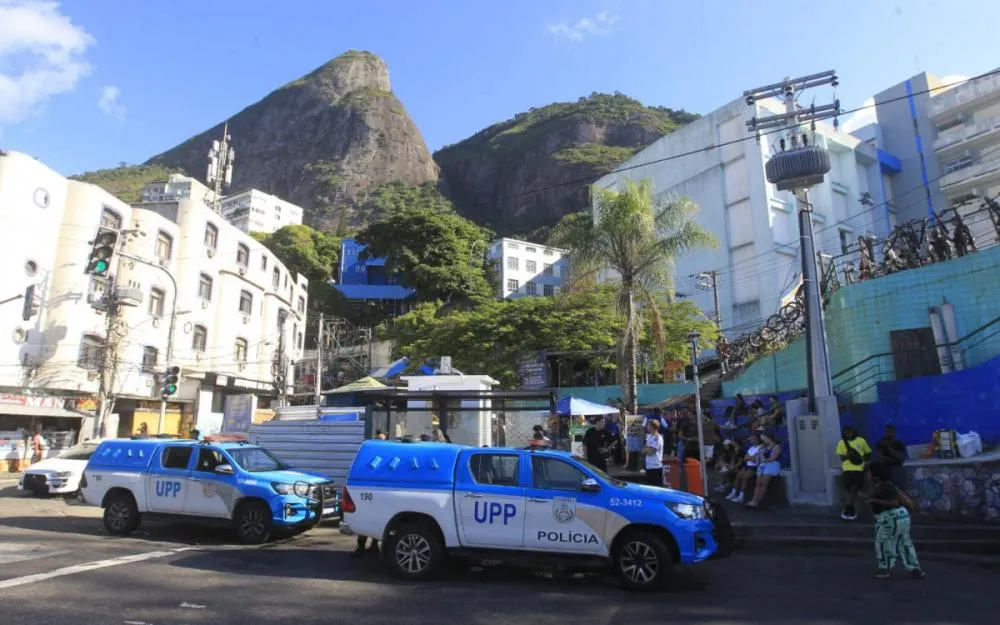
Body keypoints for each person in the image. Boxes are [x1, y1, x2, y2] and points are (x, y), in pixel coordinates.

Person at [863, 463, 925, 579]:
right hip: (902, 516)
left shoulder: (882, 487)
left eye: (868, 473)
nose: (866, 475)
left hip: (888, 517)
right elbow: (904, 500)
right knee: (905, 543)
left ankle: (884, 568)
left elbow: (894, 502)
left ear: (875, 476)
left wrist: (873, 500)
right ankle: (914, 568)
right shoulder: (890, 485)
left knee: (882, 542)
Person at [836, 425, 872, 521]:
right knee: (847, 489)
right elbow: (841, 458)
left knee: (856, 488)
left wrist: (867, 463)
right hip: (847, 469)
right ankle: (850, 508)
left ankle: (850, 508)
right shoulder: (841, 443)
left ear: (853, 432)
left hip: (859, 469)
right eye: (845, 432)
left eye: (849, 432)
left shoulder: (861, 441)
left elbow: (868, 453)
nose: (847, 434)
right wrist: (847, 456)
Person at [746, 432, 782, 508]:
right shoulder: (763, 447)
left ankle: (757, 502)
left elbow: (772, 458)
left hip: (772, 464)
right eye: (762, 439)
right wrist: (758, 455)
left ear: (769, 438)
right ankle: (753, 500)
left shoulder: (776, 447)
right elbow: (757, 457)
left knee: (763, 483)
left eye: (764, 439)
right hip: (762, 465)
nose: (762, 440)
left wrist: (761, 460)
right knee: (758, 483)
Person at [726, 434, 761, 503]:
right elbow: (745, 458)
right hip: (747, 466)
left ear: (757, 439)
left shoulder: (760, 447)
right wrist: (751, 457)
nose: (752, 441)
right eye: (751, 440)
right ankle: (733, 493)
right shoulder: (751, 448)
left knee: (744, 477)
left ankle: (741, 497)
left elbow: (755, 459)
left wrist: (750, 458)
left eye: (753, 439)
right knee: (738, 476)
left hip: (755, 467)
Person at [643, 420, 665, 487]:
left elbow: (651, 452)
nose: (646, 426)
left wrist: (647, 449)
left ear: (652, 427)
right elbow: (643, 450)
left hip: (655, 467)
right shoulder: (650, 437)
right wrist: (647, 449)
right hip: (649, 466)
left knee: (656, 488)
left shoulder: (657, 437)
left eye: (648, 425)